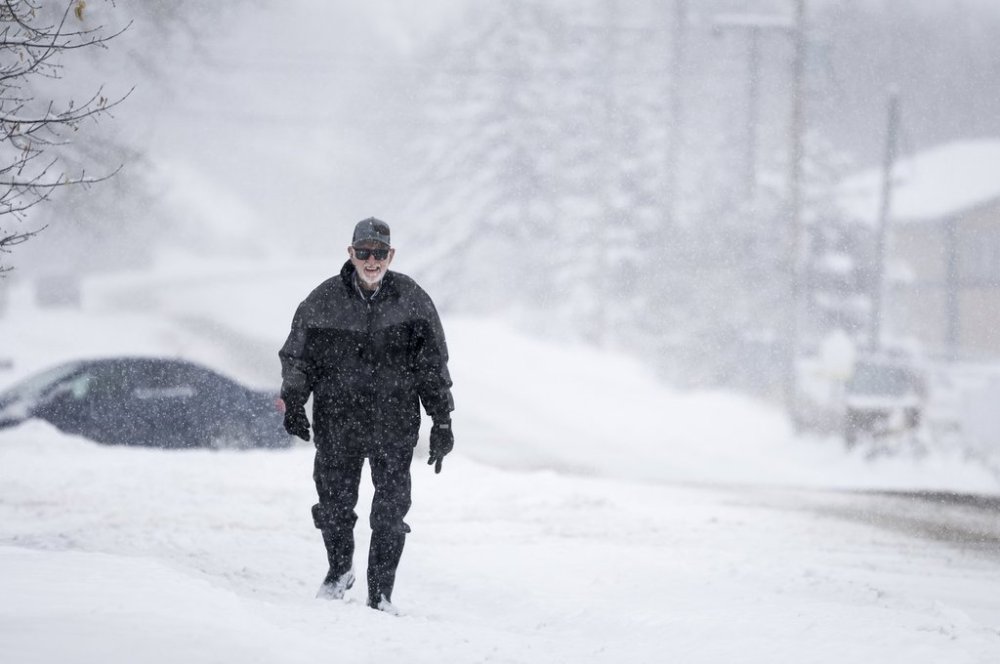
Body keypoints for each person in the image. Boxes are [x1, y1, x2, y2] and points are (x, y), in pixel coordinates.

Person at [278, 217, 455, 613]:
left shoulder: (412, 300)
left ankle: (381, 594)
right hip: (337, 421)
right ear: (351, 253)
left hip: (394, 424)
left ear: (391, 255)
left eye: (379, 253)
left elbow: (432, 366)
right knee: (334, 506)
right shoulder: (323, 301)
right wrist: (294, 401)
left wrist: (442, 420)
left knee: (390, 513)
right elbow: (298, 357)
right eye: (364, 252)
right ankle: (339, 570)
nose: (372, 261)